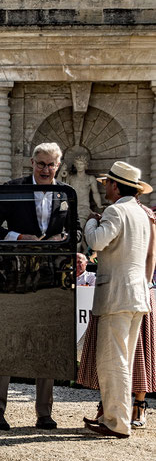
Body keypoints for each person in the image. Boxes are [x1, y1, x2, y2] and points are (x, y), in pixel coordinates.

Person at [0, 142, 70, 430]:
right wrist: (18, 237)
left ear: (58, 165)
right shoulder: (13, 187)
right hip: (13, 274)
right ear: (32, 162)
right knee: (7, 337)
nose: (46, 169)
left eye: (51, 165)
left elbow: (76, 228)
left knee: (49, 340)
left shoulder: (67, 193)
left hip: (51, 275)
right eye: (41, 164)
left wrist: (65, 241)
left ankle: (44, 413)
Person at [82, 162, 154, 438]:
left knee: (113, 361)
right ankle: (118, 418)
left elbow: (97, 241)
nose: (105, 189)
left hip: (116, 295)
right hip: (137, 294)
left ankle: (116, 422)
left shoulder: (116, 210)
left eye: (107, 184)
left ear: (115, 185)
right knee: (123, 359)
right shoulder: (141, 213)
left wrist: (91, 220)